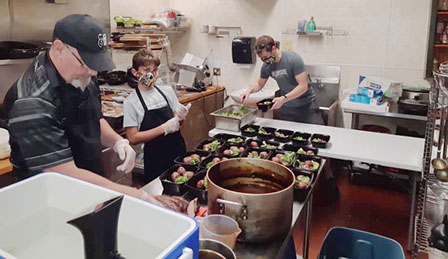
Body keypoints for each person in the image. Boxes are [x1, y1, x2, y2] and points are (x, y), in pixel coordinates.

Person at [3, 14, 188, 212]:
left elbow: (92, 116)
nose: (93, 73)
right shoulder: (32, 103)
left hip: (89, 184)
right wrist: (139, 196)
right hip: (51, 201)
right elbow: (64, 174)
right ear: (59, 48)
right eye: (86, 63)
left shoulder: (82, 74)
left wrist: (118, 141)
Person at [123, 49, 190, 184]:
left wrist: (180, 118)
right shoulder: (131, 102)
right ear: (135, 72)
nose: (152, 74)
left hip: (177, 150)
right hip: (155, 158)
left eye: (154, 70)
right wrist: (164, 128)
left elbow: (177, 124)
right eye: (146, 70)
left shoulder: (167, 91)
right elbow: (133, 137)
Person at [241, 35, 324, 125]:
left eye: (266, 57)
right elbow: (259, 83)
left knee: (316, 134)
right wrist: (249, 91)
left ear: (273, 48)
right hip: (288, 109)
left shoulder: (293, 59)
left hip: (307, 107)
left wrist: (284, 99)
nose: (264, 61)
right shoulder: (267, 66)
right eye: (262, 58)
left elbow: (303, 86)